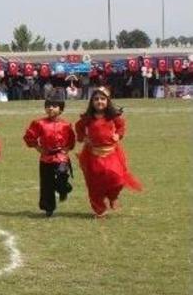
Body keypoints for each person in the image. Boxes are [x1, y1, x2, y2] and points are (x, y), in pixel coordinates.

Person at [74, 87, 142, 218]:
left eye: (103, 99)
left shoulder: (113, 116)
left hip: (112, 153)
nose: (99, 101)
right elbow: (79, 127)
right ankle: (99, 209)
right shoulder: (87, 118)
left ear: (108, 101)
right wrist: (83, 137)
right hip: (93, 155)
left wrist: (118, 135)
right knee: (95, 184)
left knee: (117, 179)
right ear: (92, 102)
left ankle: (113, 196)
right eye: (96, 99)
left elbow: (121, 126)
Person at [22, 90, 76, 217]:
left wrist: (66, 150)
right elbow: (29, 136)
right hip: (46, 157)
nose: (50, 108)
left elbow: (71, 139)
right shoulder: (39, 123)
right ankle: (48, 207)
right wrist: (38, 147)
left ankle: (64, 189)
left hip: (61, 156)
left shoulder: (66, 125)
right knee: (46, 183)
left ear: (61, 109)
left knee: (62, 174)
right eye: (48, 106)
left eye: (54, 106)